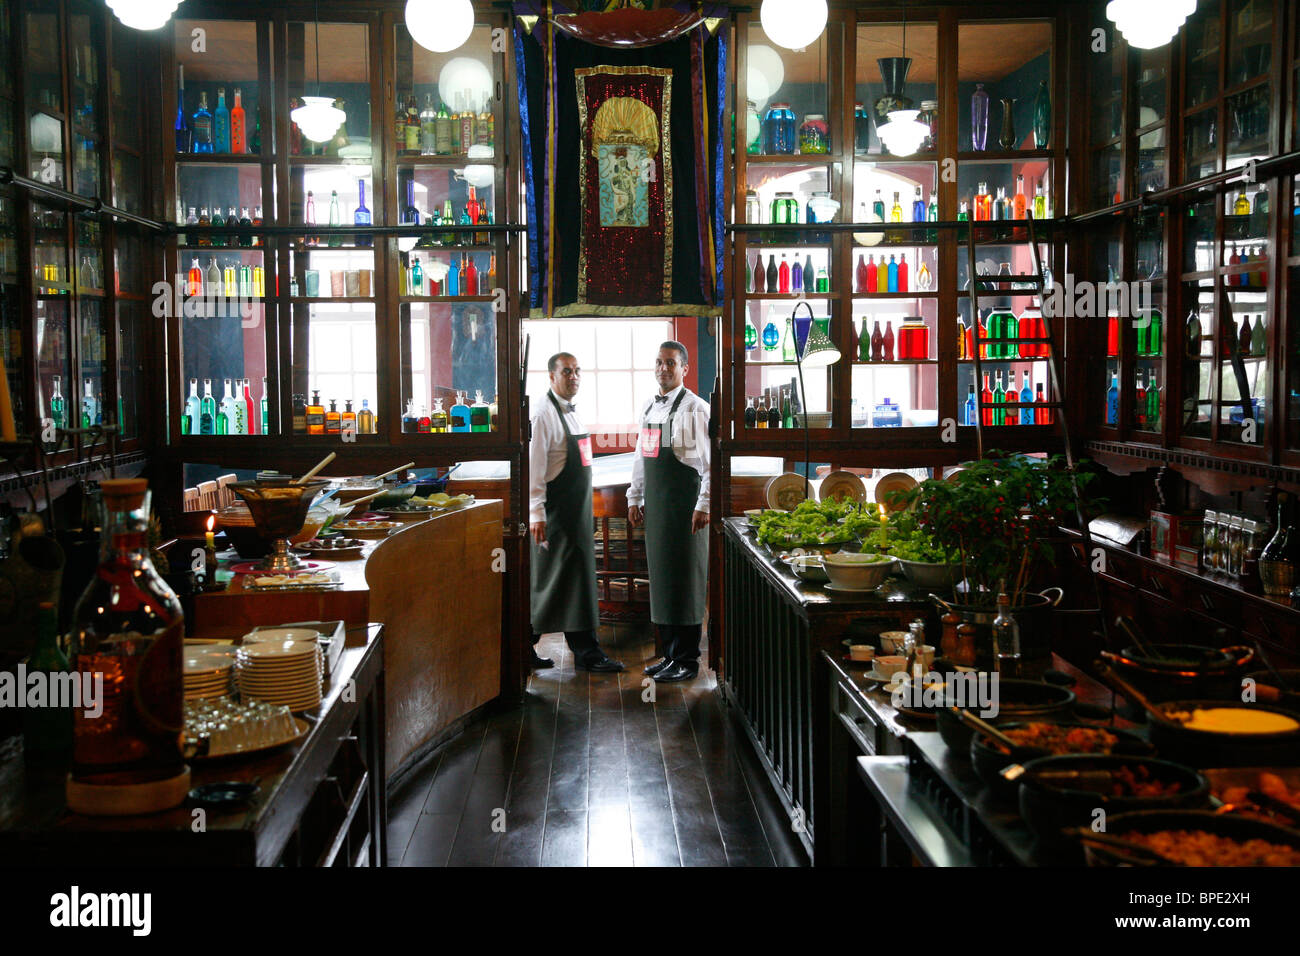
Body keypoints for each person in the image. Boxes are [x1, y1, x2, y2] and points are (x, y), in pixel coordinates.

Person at [528, 352, 624, 673]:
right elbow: (534, 469)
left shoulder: (572, 414)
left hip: (577, 515)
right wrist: (536, 513)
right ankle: (528, 649)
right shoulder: (543, 415)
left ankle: (584, 651)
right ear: (551, 377)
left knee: (575, 583)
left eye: (577, 371)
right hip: (556, 516)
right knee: (550, 583)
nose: (574, 377)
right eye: (566, 372)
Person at [627, 341, 710, 683]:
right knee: (663, 581)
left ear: (684, 369)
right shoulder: (649, 407)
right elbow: (640, 457)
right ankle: (670, 655)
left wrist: (704, 505)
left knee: (686, 582)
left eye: (671, 363)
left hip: (687, 510)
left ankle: (688, 661)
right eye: (659, 362)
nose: (664, 368)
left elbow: (709, 465)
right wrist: (635, 496)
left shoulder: (696, 409)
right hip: (658, 509)